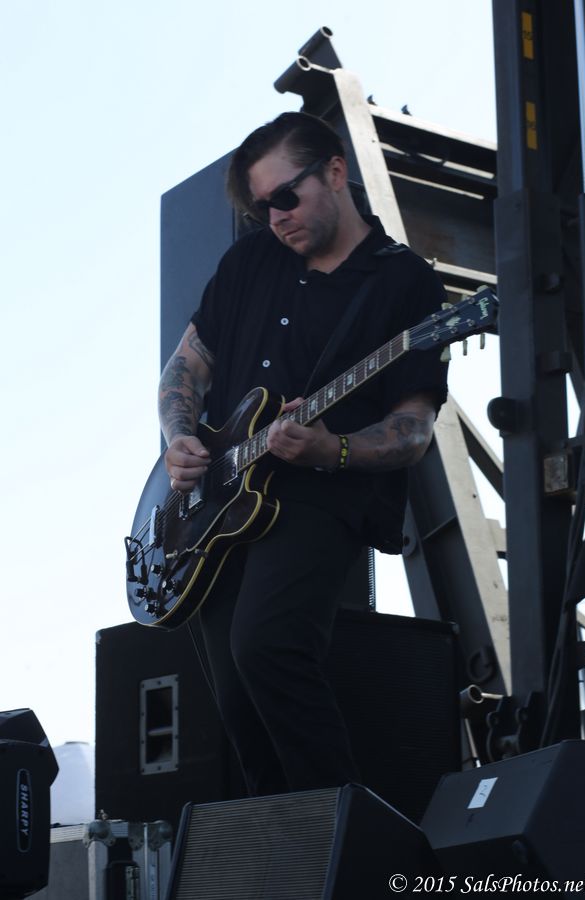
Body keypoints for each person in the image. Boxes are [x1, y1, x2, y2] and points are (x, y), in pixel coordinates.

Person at [158, 112, 448, 797]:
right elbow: (185, 369)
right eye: (262, 207)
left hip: (319, 494)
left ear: (336, 171)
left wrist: (333, 447)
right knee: (235, 701)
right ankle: (285, 837)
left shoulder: (405, 283)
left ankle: (348, 831)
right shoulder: (251, 260)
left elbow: (413, 429)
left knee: (268, 647)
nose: (275, 217)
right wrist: (179, 437)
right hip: (219, 503)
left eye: (286, 197)